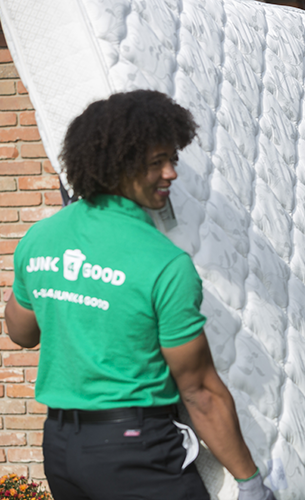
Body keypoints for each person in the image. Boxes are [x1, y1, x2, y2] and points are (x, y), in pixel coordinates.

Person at [5, 90, 274, 500]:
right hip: (134, 453)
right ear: (117, 165)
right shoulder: (163, 263)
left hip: (60, 448)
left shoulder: (41, 237)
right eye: (155, 163)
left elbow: (22, 333)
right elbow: (200, 391)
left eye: (173, 159)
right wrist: (249, 480)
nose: (171, 173)